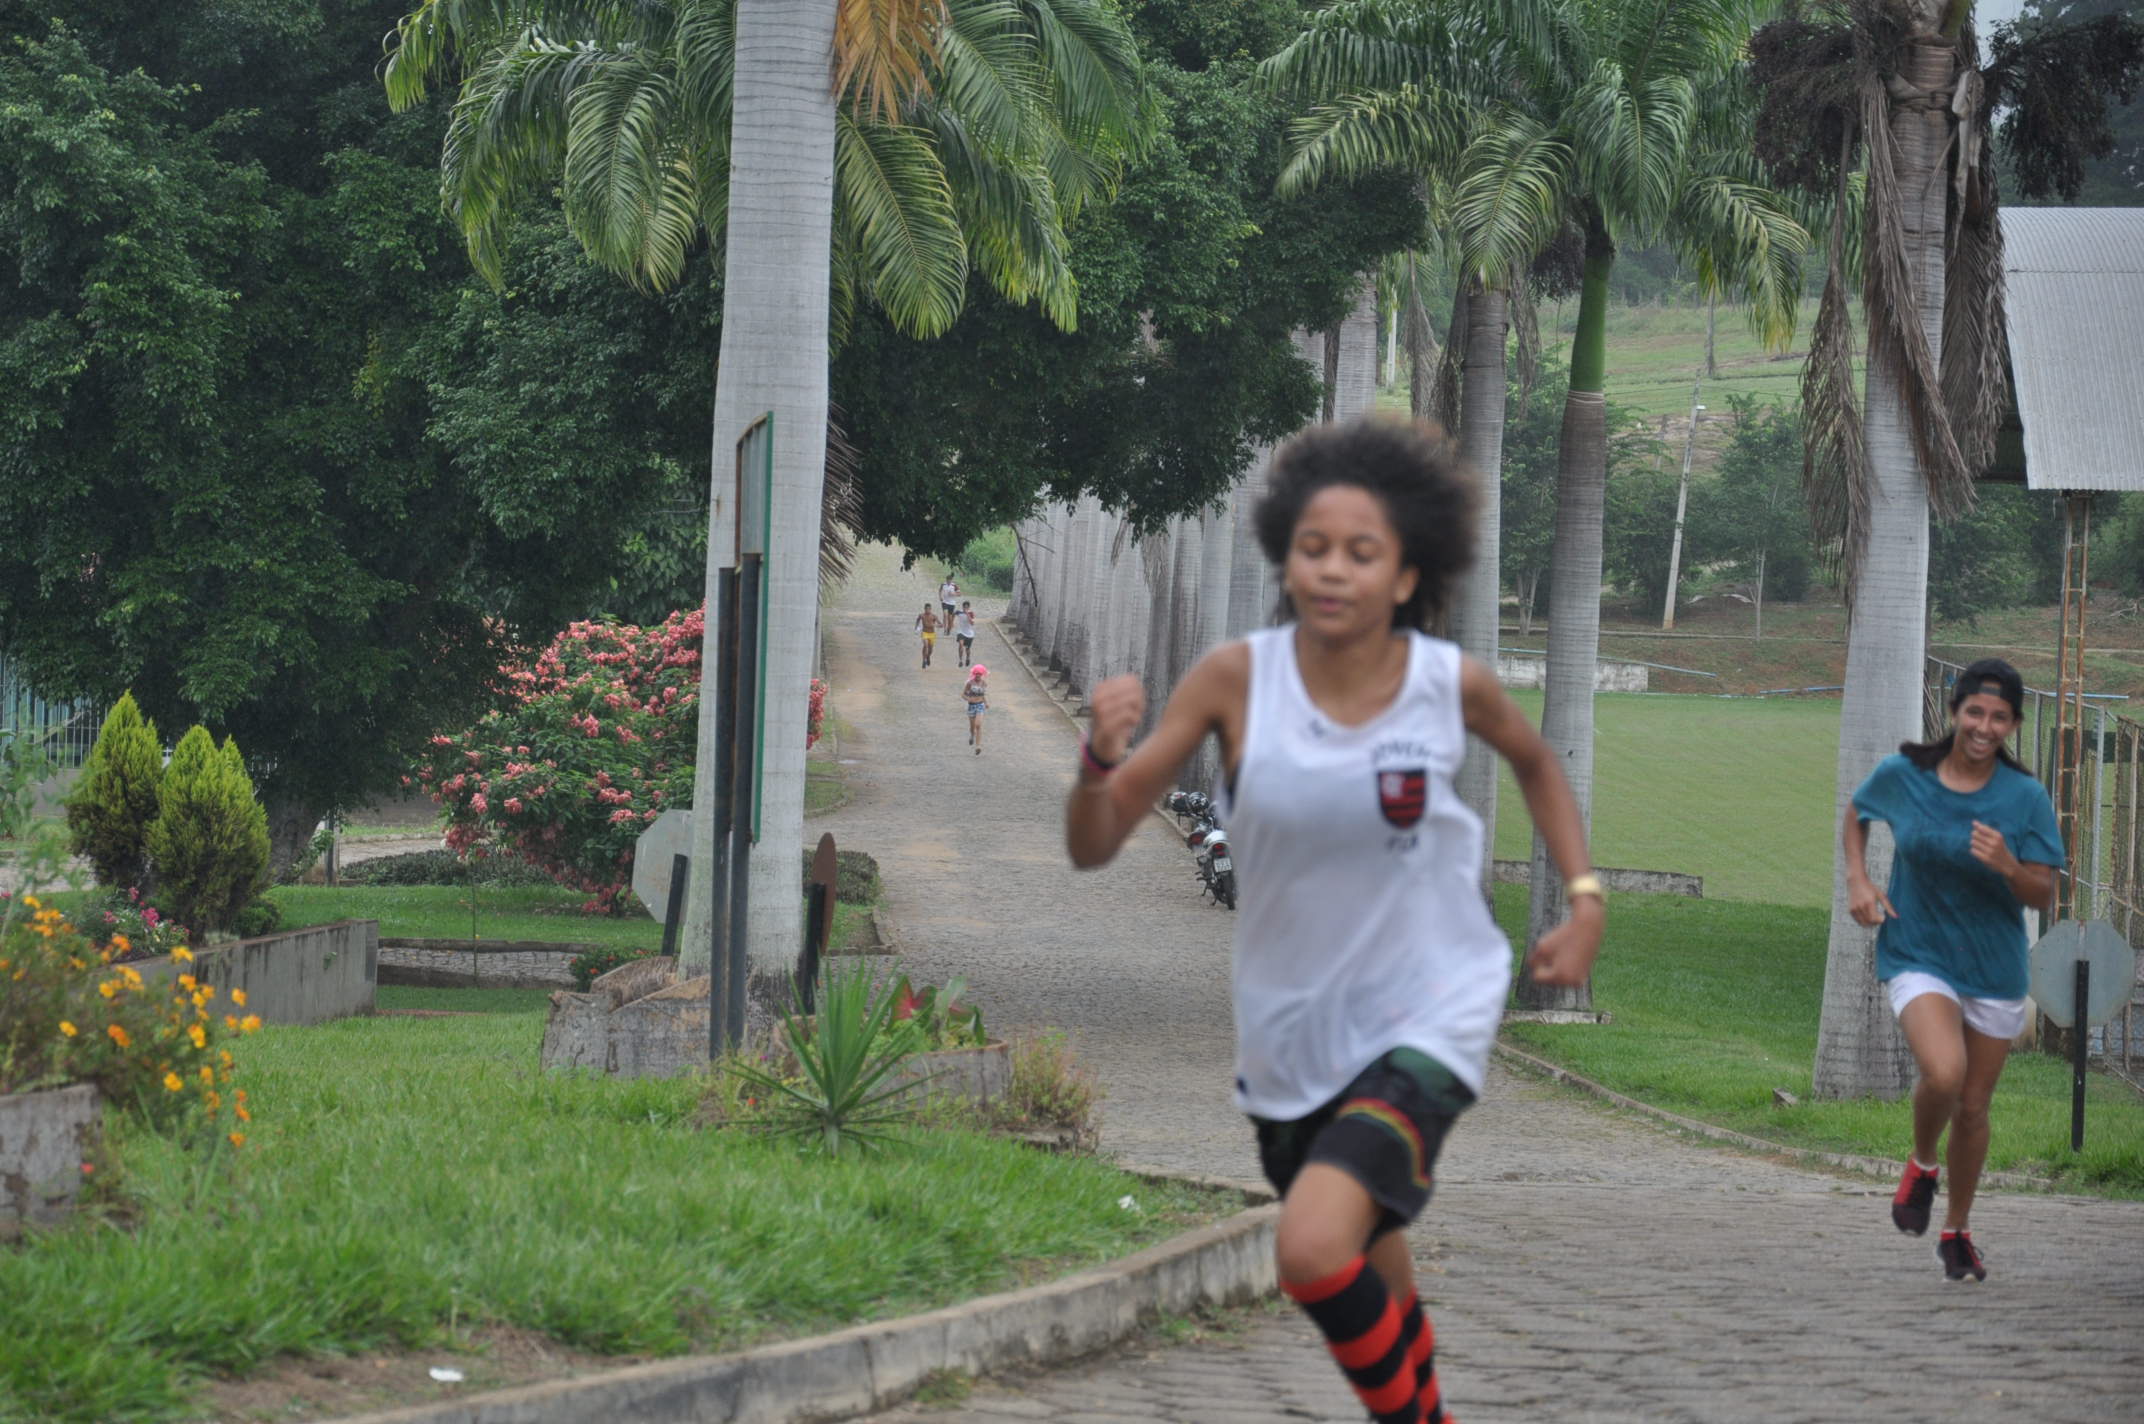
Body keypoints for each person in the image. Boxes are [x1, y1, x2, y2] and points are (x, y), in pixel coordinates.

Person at [1063, 416, 1603, 1424]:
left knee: (1311, 1249)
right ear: (1286, 555)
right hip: (1291, 1034)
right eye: (1314, 546)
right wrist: (1099, 757)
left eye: (1362, 551)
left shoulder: (1445, 684)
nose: (1334, 569)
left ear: (1406, 575)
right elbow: (1095, 841)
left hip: (1428, 1006)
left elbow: (1536, 763)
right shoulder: (1236, 680)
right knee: (1371, 1255)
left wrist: (1583, 898)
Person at [1844, 657, 2062, 1283]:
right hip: (1918, 951)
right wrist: (1858, 879)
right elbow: (1857, 814)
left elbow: (2043, 893)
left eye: (1999, 717)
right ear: (1954, 712)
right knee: (1944, 1072)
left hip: (1994, 967)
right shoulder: (1906, 774)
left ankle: (1957, 1230)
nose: (1984, 726)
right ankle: (1921, 1164)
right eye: (1975, 712)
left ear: (2013, 725)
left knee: (1972, 1107)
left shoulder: (2025, 797)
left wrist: (2008, 866)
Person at [963, 664, 989, 754]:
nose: (978, 675)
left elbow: (982, 695)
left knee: (978, 725)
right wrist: (968, 699)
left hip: (980, 705)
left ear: (982, 674)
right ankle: (972, 734)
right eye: (977, 673)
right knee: (972, 726)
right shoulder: (969, 683)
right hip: (971, 706)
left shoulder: (984, 683)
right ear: (974, 674)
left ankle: (978, 746)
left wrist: (986, 703)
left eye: (980, 674)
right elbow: (963, 694)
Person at [914, 603, 939, 669]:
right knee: (925, 645)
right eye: (926, 609)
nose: (928, 610)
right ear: (924, 609)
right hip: (924, 632)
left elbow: (941, 624)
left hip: (932, 634)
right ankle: (924, 660)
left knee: (930, 649)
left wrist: (935, 625)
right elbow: (917, 620)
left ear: (930, 609)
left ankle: (928, 656)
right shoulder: (921, 615)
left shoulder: (934, 616)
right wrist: (916, 627)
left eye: (929, 609)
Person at [954, 601, 977, 668]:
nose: (965, 608)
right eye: (964, 607)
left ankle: (968, 658)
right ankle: (960, 660)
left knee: (967, 649)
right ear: (962, 607)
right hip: (961, 632)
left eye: (967, 607)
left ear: (969, 607)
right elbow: (953, 614)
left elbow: (972, 623)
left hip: (969, 634)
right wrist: (951, 623)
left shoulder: (971, 613)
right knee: (961, 644)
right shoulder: (959, 612)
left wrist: (967, 614)